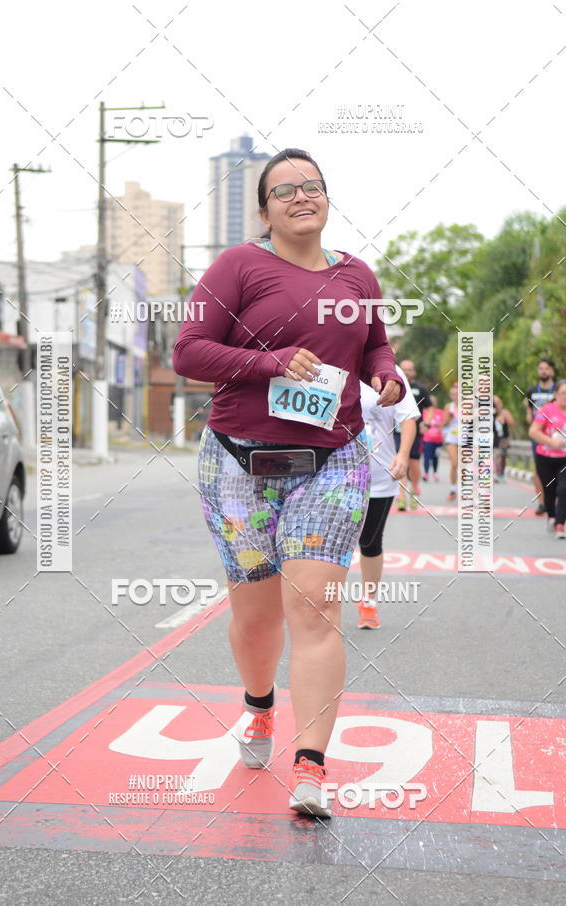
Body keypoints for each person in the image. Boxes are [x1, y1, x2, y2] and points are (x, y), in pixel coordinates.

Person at [173, 148, 405, 818]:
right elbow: (187, 351)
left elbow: (375, 347)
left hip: (329, 463)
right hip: (239, 465)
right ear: (266, 209)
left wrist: (386, 374)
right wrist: (269, 361)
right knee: (255, 615)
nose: (302, 197)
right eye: (286, 190)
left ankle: (310, 767)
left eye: (314, 186)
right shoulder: (239, 266)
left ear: (327, 198)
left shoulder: (358, 277)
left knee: (313, 607)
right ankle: (259, 704)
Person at [356, 366, 419, 629]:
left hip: (379, 473)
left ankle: (368, 602)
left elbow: (407, 418)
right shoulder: (327, 360)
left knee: (369, 541)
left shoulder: (388, 371)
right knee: (325, 543)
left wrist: (403, 455)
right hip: (332, 474)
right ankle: (324, 603)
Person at [528, 379, 566, 538]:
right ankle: (551, 515)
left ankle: (559, 524)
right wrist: (552, 442)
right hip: (545, 457)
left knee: (563, 489)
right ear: (556, 394)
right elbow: (533, 431)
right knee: (549, 492)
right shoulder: (546, 410)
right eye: (563, 393)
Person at [394, 360, 431, 510]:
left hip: (415, 432)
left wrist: (426, 424)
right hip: (397, 431)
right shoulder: (394, 386)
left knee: (414, 464)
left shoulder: (420, 389)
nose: (407, 372)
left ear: (414, 372)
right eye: (404, 370)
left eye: (410, 370)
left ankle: (414, 491)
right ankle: (401, 497)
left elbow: (430, 408)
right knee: (401, 461)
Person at [525, 358, 557, 515]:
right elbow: (529, 413)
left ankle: (556, 500)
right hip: (538, 435)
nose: (543, 371)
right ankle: (542, 502)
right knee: (538, 470)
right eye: (541, 368)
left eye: (546, 368)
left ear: (552, 371)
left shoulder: (558, 390)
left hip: (557, 435)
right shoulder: (532, 391)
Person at [442, 383, 461, 501]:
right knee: (454, 464)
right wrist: (449, 417)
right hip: (452, 438)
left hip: (466, 438)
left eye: (456, 394)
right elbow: (444, 424)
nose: (454, 396)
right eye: (452, 394)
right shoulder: (449, 406)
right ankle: (453, 489)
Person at [421, 394, 444, 482]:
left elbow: (444, 425)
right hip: (427, 439)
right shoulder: (424, 412)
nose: (432, 403)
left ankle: (435, 473)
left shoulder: (440, 412)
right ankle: (426, 473)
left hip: (438, 440)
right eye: (431, 401)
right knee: (427, 456)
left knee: (435, 457)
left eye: (434, 401)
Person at [492, 395, 514, 482]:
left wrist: (504, 418)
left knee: (503, 457)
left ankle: (501, 473)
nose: (496, 405)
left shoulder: (505, 412)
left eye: (498, 403)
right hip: (493, 439)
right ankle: (496, 474)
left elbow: (511, 424)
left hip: (503, 439)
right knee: (497, 456)